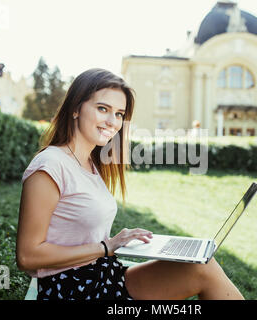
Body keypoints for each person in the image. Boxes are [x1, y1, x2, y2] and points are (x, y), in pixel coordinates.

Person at [16, 68, 244, 300]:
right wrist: (108, 246)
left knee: (202, 265)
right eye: (103, 109)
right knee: (202, 270)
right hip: (72, 288)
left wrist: (123, 244)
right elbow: (27, 257)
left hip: (103, 274)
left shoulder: (90, 164)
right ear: (75, 108)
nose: (112, 122)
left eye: (119, 114)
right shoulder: (50, 164)